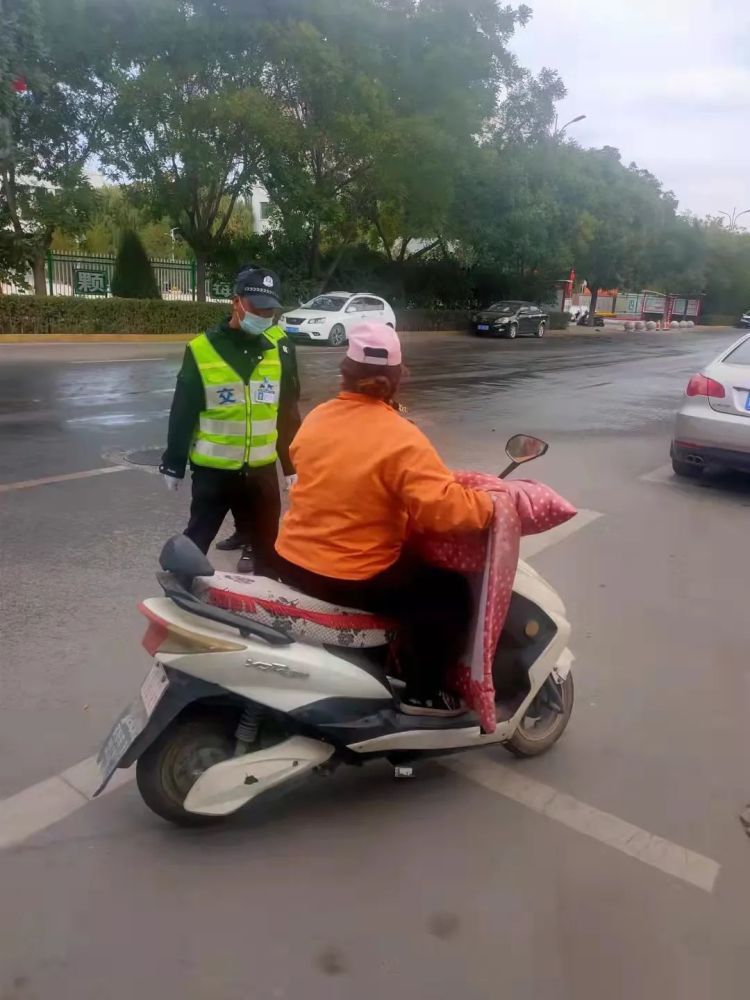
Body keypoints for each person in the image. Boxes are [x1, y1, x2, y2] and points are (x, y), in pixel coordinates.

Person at [273, 322, 494, 717]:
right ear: (396, 379)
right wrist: (490, 508)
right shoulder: (401, 437)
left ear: (346, 371)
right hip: (353, 575)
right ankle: (424, 694)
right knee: (449, 594)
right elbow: (443, 509)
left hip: (292, 560)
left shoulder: (317, 419)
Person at [160, 264, 301, 574]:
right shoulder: (202, 349)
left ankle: (270, 611)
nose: (264, 317)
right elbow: (183, 410)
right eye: (257, 308)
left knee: (268, 547)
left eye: (270, 311)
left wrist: (291, 463)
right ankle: (178, 596)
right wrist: (174, 461)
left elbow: (286, 410)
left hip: (261, 472)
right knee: (196, 541)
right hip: (214, 472)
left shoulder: (280, 348)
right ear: (236, 302)